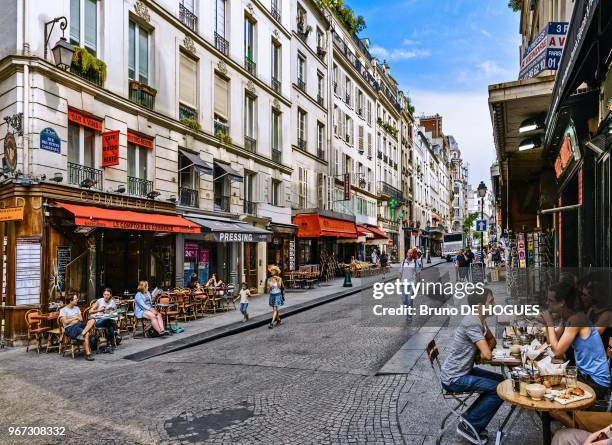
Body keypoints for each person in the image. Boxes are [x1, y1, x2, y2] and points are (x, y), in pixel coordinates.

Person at [440, 288, 503, 444]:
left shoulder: (479, 320)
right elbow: (487, 354)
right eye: (491, 301)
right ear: (480, 306)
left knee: (502, 380)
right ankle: (470, 425)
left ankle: (471, 420)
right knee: (499, 389)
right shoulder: (472, 322)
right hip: (454, 378)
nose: (494, 304)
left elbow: (492, 341)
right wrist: (481, 352)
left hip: (463, 371)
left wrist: (481, 351)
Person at [542, 282, 610, 400]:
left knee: (550, 398)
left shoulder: (577, 319)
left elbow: (557, 351)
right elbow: (553, 342)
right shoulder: (569, 317)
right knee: (545, 384)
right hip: (583, 376)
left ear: (562, 302)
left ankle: (572, 417)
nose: (547, 303)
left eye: (551, 300)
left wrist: (549, 323)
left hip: (595, 382)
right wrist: (547, 325)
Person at [59, 294, 96, 361]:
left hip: (79, 324)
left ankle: (82, 334)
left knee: (92, 320)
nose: (77, 300)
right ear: (71, 301)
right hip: (70, 328)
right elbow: (65, 322)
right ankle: (88, 354)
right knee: (87, 334)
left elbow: (81, 319)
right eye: (75, 299)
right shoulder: (63, 310)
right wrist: (75, 318)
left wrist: (74, 320)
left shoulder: (77, 308)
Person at [399, 248, 421, 322]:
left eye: (411, 253)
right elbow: (400, 273)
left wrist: (418, 285)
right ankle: (407, 314)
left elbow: (418, 274)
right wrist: (399, 281)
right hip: (403, 284)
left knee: (409, 300)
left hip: (412, 285)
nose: (409, 254)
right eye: (408, 253)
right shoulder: (403, 262)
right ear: (406, 253)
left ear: (413, 254)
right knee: (404, 301)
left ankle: (409, 317)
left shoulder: (415, 262)